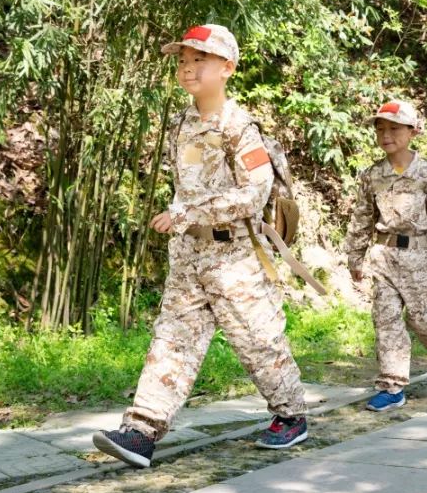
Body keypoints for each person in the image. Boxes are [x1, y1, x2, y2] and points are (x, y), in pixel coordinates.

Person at [93, 24, 309, 468]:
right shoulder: (181, 123)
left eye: (200, 60)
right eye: (183, 61)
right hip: (190, 255)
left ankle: (291, 415)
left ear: (227, 68)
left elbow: (254, 193)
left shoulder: (240, 126)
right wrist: (183, 221)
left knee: (259, 342)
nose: (188, 68)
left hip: (237, 260)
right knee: (172, 341)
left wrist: (189, 214)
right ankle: (141, 431)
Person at [344, 100, 427, 412]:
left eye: (394, 128)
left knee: (426, 320)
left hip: (421, 259)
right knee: (385, 319)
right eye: (380, 128)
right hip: (384, 257)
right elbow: (361, 219)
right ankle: (392, 385)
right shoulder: (371, 176)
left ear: (412, 132)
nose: (386, 134)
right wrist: (356, 257)